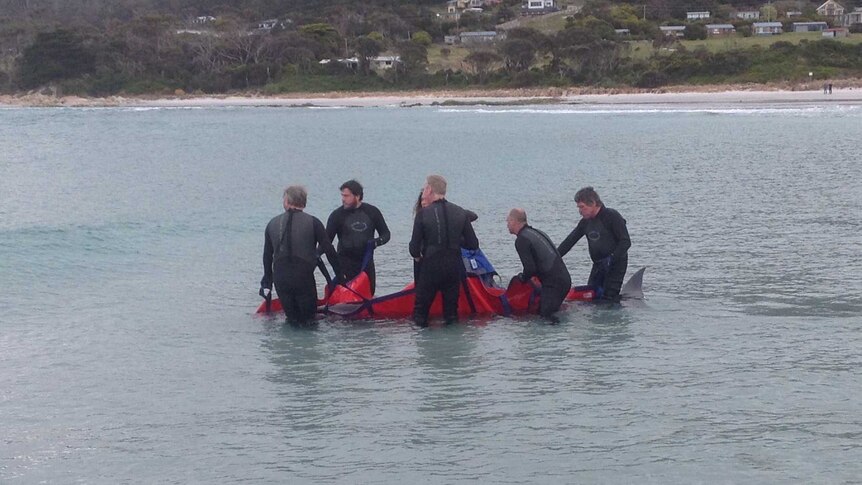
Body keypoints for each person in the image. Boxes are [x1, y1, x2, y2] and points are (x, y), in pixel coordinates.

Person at [261, 185, 341, 324]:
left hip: (281, 278)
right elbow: (329, 250)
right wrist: (340, 276)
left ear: (286, 201)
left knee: (291, 320)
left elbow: (267, 256)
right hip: (303, 278)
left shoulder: (271, 223)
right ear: (304, 202)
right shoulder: (313, 222)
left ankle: (290, 345)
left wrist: (267, 280)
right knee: (309, 322)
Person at [409, 175, 479, 326]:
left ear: (429, 189)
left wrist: (419, 256)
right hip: (453, 267)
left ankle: (423, 347)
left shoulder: (423, 214)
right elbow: (473, 244)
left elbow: (413, 249)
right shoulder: (460, 212)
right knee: (451, 314)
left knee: (420, 314)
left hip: (431, 268)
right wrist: (454, 242)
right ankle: (453, 347)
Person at [558, 186, 631, 302]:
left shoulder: (612, 216)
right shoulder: (585, 223)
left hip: (615, 265)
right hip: (598, 265)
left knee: (608, 300)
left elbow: (626, 242)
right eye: (578, 207)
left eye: (582, 207)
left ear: (593, 203)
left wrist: (612, 258)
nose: (580, 211)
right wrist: (554, 257)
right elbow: (569, 242)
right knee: (592, 298)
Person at [507, 208, 572, 323]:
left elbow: (530, 269)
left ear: (513, 221)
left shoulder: (522, 240)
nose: (507, 225)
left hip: (553, 285)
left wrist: (522, 278)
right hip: (564, 279)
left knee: (546, 318)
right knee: (547, 314)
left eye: (508, 221)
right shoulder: (538, 232)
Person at [326, 179, 390, 294]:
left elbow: (386, 234)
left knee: (368, 295)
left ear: (357, 196)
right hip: (345, 264)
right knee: (346, 297)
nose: (343, 199)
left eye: (346, 196)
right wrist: (313, 255)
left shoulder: (372, 212)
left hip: (366, 263)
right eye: (342, 195)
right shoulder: (336, 215)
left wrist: (376, 242)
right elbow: (326, 242)